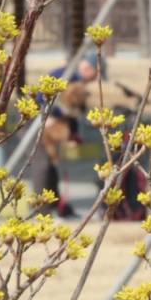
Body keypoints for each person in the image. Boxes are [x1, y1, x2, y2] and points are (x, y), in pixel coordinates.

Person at [31, 57, 99, 218]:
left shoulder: (77, 82)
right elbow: (41, 100)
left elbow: (74, 114)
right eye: (96, 74)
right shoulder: (64, 75)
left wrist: (73, 132)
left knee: (52, 166)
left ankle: (56, 207)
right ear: (88, 69)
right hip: (32, 124)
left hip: (51, 126)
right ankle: (42, 211)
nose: (95, 80)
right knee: (43, 165)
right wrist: (62, 113)